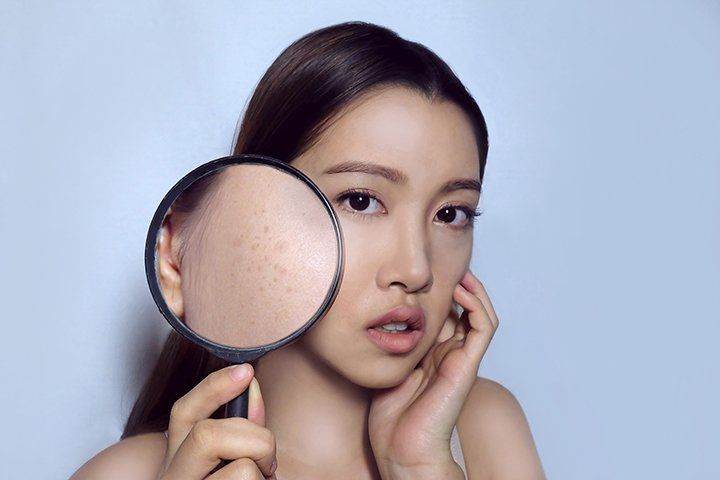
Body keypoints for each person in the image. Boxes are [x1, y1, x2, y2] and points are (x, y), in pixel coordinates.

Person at [71, 21, 545, 480]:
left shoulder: (484, 433)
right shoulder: (128, 474)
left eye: (451, 214)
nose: (416, 269)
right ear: (253, 208)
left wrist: (419, 470)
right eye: (361, 201)